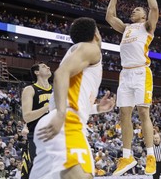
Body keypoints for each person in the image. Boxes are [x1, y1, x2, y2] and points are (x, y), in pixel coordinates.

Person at [29, 17, 115, 179]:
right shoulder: (91, 48)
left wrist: (97, 108)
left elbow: (72, 95)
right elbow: (61, 74)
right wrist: (62, 114)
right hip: (66, 123)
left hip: (54, 125)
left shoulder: (79, 54)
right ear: (96, 33)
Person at [106, 0, 159, 176]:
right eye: (133, 9)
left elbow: (154, 9)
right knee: (124, 114)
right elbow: (110, 17)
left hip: (141, 72)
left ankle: (150, 156)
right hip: (125, 74)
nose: (133, 11)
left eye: (137, 10)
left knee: (143, 113)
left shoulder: (147, 27)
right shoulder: (126, 28)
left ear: (144, 16)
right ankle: (127, 156)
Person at [21, 61, 52, 177]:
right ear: (37, 72)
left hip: (55, 136)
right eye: (44, 66)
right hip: (37, 136)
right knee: (35, 172)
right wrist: (47, 107)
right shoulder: (30, 89)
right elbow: (27, 116)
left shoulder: (56, 90)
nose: (48, 67)